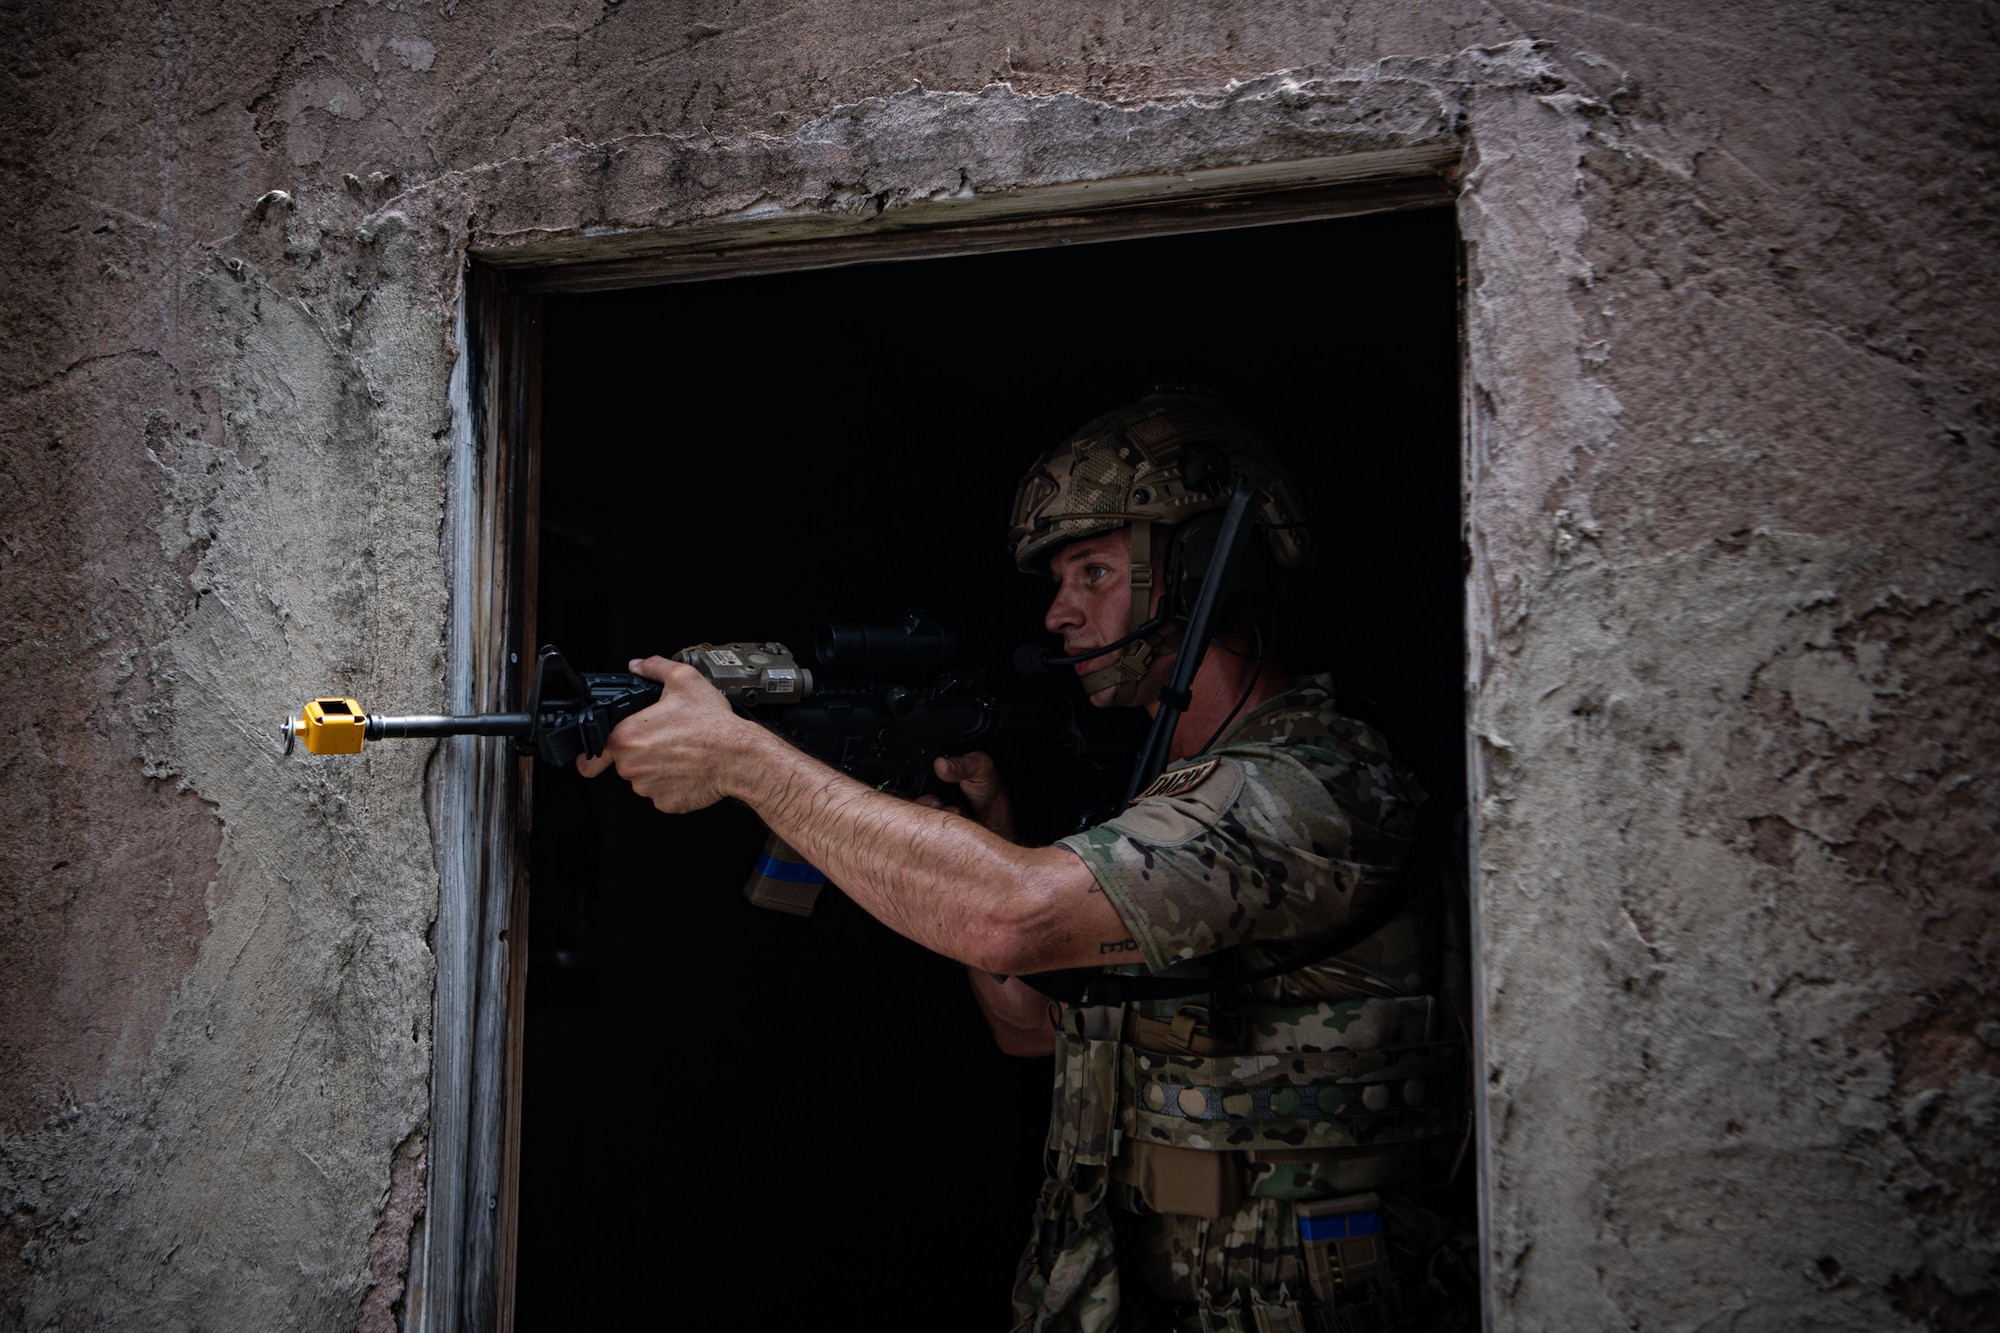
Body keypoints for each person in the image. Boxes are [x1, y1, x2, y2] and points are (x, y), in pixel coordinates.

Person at [580, 393, 1468, 1332]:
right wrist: (985, 827)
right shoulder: (1170, 789)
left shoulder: (1307, 782)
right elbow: (1031, 1025)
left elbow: (1013, 914)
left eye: (1092, 570)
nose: (1058, 612)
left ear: (1205, 566)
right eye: (1059, 578)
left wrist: (754, 765)